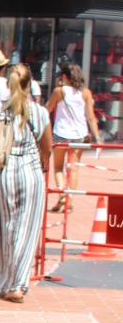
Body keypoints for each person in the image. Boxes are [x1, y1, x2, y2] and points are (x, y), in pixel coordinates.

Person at [0, 63, 52, 304]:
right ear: (30, 85)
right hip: (31, 174)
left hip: (0, 173)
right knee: (25, 228)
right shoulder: (40, 113)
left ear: (9, 84)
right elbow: (47, 148)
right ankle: (17, 284)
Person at [45, 62, 100, 212]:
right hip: (79, 134)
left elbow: (47, 109)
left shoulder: (59, 91)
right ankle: (69, 200)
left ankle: (62, 194)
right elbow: (90, 117)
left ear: (64, 77)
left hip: (61, 133)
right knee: (73, 168)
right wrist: (96, 136)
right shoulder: (86, 93)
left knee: (57, 167)